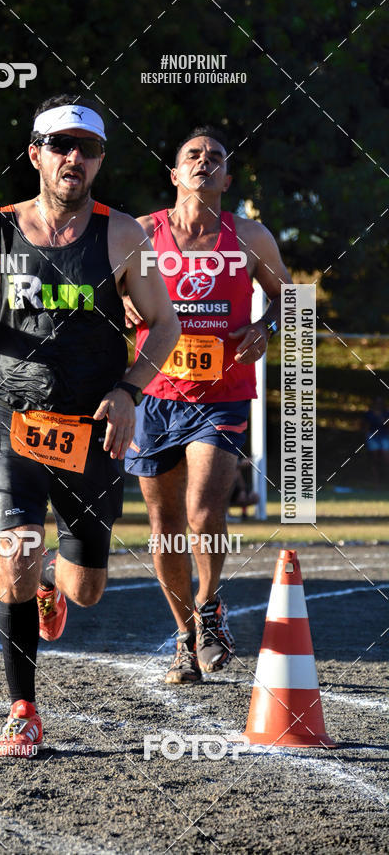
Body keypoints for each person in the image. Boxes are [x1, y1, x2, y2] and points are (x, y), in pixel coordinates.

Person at [0, 94, 180, 756]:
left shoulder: (123, 235)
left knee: (86, 589)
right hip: (16, 417)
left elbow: (165, 324)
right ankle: (23, 710)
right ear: (36, 154)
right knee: (15, 552)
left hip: (93, 425)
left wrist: (129, 391)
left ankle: (50, 585)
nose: (74, 158)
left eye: (87, 149)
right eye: (61, 145)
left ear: (99, 161)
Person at [124, 125, 292, 682]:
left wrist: (265, 326)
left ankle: (210, 605)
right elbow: (102, 287)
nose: (204, 161)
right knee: (165, 523)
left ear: (227, 177)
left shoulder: (250, 236)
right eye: (192, 155)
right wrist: (120, 303)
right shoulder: (141, 233)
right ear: (174, 174)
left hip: (222, 393)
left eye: (215, 156)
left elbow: (288, 296)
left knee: (202, 511)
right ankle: (184, 636)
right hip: (153, 393)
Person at [362, 397, 389, 483]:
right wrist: (367, 437)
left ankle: (386, 480)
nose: (378, 405)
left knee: (386, 459)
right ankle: (376, 481)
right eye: (377, 403)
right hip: (373, 436)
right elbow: (365, 426)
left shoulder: (386, 413)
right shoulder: (369, 413)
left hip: (385, 436)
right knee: (374, 459)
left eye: (380, 403)